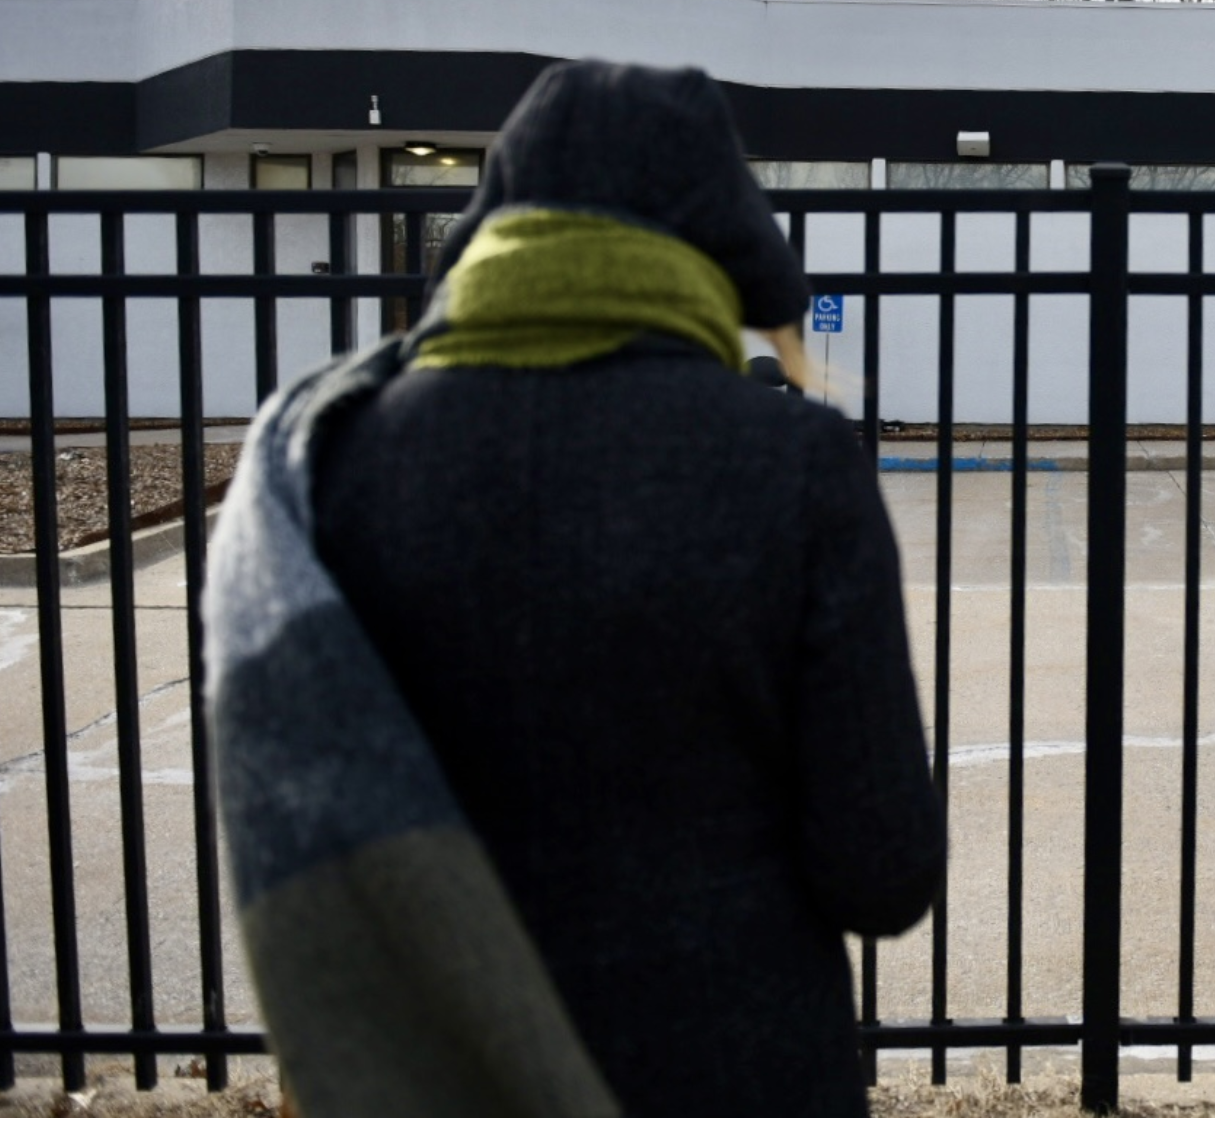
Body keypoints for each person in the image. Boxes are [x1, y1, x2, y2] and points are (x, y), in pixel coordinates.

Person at [205, 60, 945, 1116]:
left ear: (495, 219)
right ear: (716, 239)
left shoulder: (333, 462)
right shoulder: (794, 465)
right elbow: (882, 871)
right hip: (739, 1072)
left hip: (440, 1078)